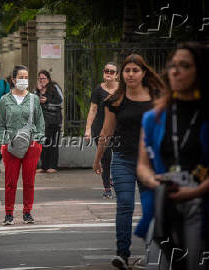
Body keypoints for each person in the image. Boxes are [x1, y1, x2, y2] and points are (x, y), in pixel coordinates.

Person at [137, 42, 209, 270]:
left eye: (185, 66)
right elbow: (142, 165)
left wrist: (195, 191)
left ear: (200, 71)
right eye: (172, 65)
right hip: (164, 202)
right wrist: (154, 181)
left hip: (201, 202)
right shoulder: (153, 117)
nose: (175, 71)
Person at [92, 54, 165, 269]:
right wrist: (98, 160)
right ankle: (122, 254)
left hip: (150, 163)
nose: (131, 74)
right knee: (124, 204)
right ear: (122, 74)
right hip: (122, 159)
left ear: (143, 73)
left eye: (135, 70)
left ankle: (154, 254)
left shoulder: (157, 97)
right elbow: (106, 131)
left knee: (150, 207)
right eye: (127, 70)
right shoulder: (115, 100)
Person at [0, 65, 45, 226]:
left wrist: (38, 140)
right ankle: (9, 214)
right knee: (10, 181)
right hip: (10, 145)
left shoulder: (34, 99)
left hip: (31, 144)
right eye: (21, 77)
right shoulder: (5, 100)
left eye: (26, 77)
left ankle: (27, 212)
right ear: (13, 79)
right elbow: (1, 123)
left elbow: (40, 121)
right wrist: (3, 142)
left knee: (29, 180)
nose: (24, 80)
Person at [85, 62, 119, 198]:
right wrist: (88, 129)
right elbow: (92, 110)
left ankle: (114, 177)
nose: (108, 73)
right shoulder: (98, 90)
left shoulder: (122, 89)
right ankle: (107, 189)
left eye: (112, 71)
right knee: (105, 158)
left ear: (116, 75)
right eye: (106, 71)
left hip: (118, 129)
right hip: (100, 128)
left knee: (119, 156)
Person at [35, 70, 63, 173]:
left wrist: (47, 101)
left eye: (43, 78)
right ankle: (44, 166)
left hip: (54, 120)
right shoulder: (36, 90)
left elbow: (60, 101)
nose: (41, 80)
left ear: (48, 79)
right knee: (43, 143)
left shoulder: (54, 87)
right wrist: (38, 91)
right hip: (42, 121)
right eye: (40, 79)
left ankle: (53, 166)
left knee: (53, 143)